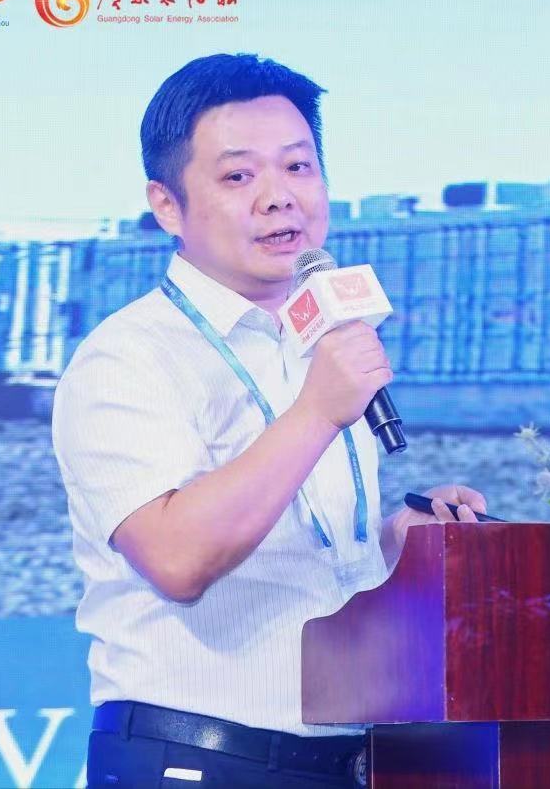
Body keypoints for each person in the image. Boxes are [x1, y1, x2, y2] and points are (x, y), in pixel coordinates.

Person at [52, 52, 488, 789]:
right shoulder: (127, 356)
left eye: (298, 167)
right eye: (238, 177)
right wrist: (316, 412)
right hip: (197, 759)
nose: (279, 198)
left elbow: (303, 561)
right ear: (166, 205)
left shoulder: (320, 339)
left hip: (352, 759)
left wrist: (398, 542)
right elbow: (177, 558)